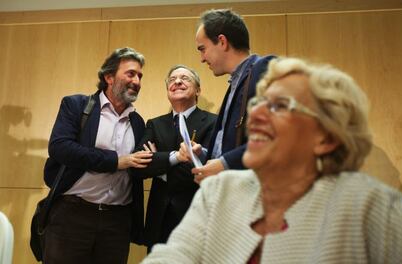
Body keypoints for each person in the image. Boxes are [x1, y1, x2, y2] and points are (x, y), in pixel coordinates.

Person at [141, 57, 402, 263]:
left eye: (280, 106)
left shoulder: (372, 207)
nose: (256, 114)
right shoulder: (219, 192)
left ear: (325, 138)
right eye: (259, 103)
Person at [42, 47, 152, 264]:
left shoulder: (138, 122)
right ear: (109, 77)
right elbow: (60, 147)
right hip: (72, 216)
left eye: (140, 76)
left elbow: (137, 168)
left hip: (117, 222)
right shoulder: (76, 105)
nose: (137, 81)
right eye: (130, 73)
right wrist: (116, 161)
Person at [129, 65, 216, 252]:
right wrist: (178, 157)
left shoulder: (214, 123)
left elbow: (210, 171)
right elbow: (137, 167)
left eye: (185, 78)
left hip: (197, 219)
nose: (177, 82)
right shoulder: (155, 124)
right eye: (172, 79)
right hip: (159, 221)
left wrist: (159, 166)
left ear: (198, 90)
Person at [188, 8, 276, 183]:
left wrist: (224, 164)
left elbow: (278, 137)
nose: (202, 58)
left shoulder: (265, 69)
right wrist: (204, 154)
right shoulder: (236, 84)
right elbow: (231, 146)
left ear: (222, 42)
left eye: (202, 49)